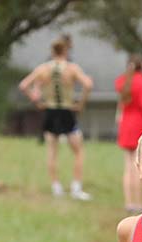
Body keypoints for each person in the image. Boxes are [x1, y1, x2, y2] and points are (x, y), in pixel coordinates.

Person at [17, 36, 93, 200]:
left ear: (52, 51)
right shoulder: (72, 68)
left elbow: (23, 85)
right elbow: (88, 84)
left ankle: (56, 187)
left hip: (50, 111)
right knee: (78, 151)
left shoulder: (43, 69)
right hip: (66, 111)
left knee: (52, 152)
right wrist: (81, 103)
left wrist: (36, 100)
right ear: (66, 50)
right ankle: (76, 188)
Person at [115, 56, 142, 213]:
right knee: (139, 166)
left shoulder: (124, 81)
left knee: (128, 166)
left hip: (126, 124)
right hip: (139, 125)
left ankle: (129, 202)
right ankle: (138, 203)